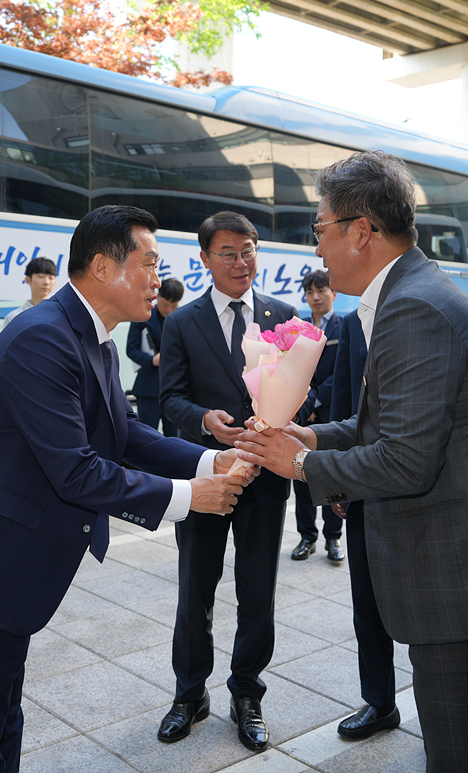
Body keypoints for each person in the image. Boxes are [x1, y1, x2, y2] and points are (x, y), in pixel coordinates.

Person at [236, 151, 468, 773]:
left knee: (463, 756)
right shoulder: (409, 293)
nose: (317, 248)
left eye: (321, 229)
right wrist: (310, 438)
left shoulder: (413, 309)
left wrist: (301, 466)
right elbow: (384, 426)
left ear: (362, 231)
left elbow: (408, 460)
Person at [0, 205, 252, 773]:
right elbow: (76, 470)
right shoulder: (43, 337)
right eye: (149, 264)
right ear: (102, 267)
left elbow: (124, 433)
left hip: (10, 564)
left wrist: (210, 459)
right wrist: (190, 497)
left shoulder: (93, 337)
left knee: (0, 721)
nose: (159, 279)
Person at [157, 211, 302, 752]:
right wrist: (204, 420)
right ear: (205, 259)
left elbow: (301, 387)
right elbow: (168, 398)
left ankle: (247, 693)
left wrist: (285, 413)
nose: (241, 262)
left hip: (265, 476)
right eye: (228, 253)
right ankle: (189, 693)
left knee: (257, 590)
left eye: (248, 251)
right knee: (195, 587)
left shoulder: (283, 317)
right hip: (206, 474)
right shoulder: (182, 322)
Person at [327, 307, 401, 741]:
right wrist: (337, 480)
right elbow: (344, 402)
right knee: (367, 604)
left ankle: (440, 700)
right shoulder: (352, 323)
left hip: (419, 485)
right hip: (364, 486)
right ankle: (379, 701)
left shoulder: (419, 307)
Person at [289, 269, 344, 563]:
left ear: (333, 293)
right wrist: (302, 405)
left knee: (333, 476)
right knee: (301, 475)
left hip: (332, 414)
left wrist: (316, 401)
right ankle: (306, 536)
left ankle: (333, 538)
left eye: (321, 290)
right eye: (310, 292)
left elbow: (341, 373)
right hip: (303, 414)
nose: (315, 297)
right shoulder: (299, 329)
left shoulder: (344, 327)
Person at [125, 277, 183, 437]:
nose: (169, 310)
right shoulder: (143, 315)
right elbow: (131, 349)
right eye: (165, 305)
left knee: (175, 437)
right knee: (147, 436)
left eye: (174, 306)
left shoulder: (182, 318)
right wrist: (152, 360)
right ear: (158, 297)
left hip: (175, 388)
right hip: (148, 387)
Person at [3, 256, 58, 325]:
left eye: (51, 278)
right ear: (28, 280)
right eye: (41, 276)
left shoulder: (60, 315)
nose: (46, 282)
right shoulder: (14, 317)